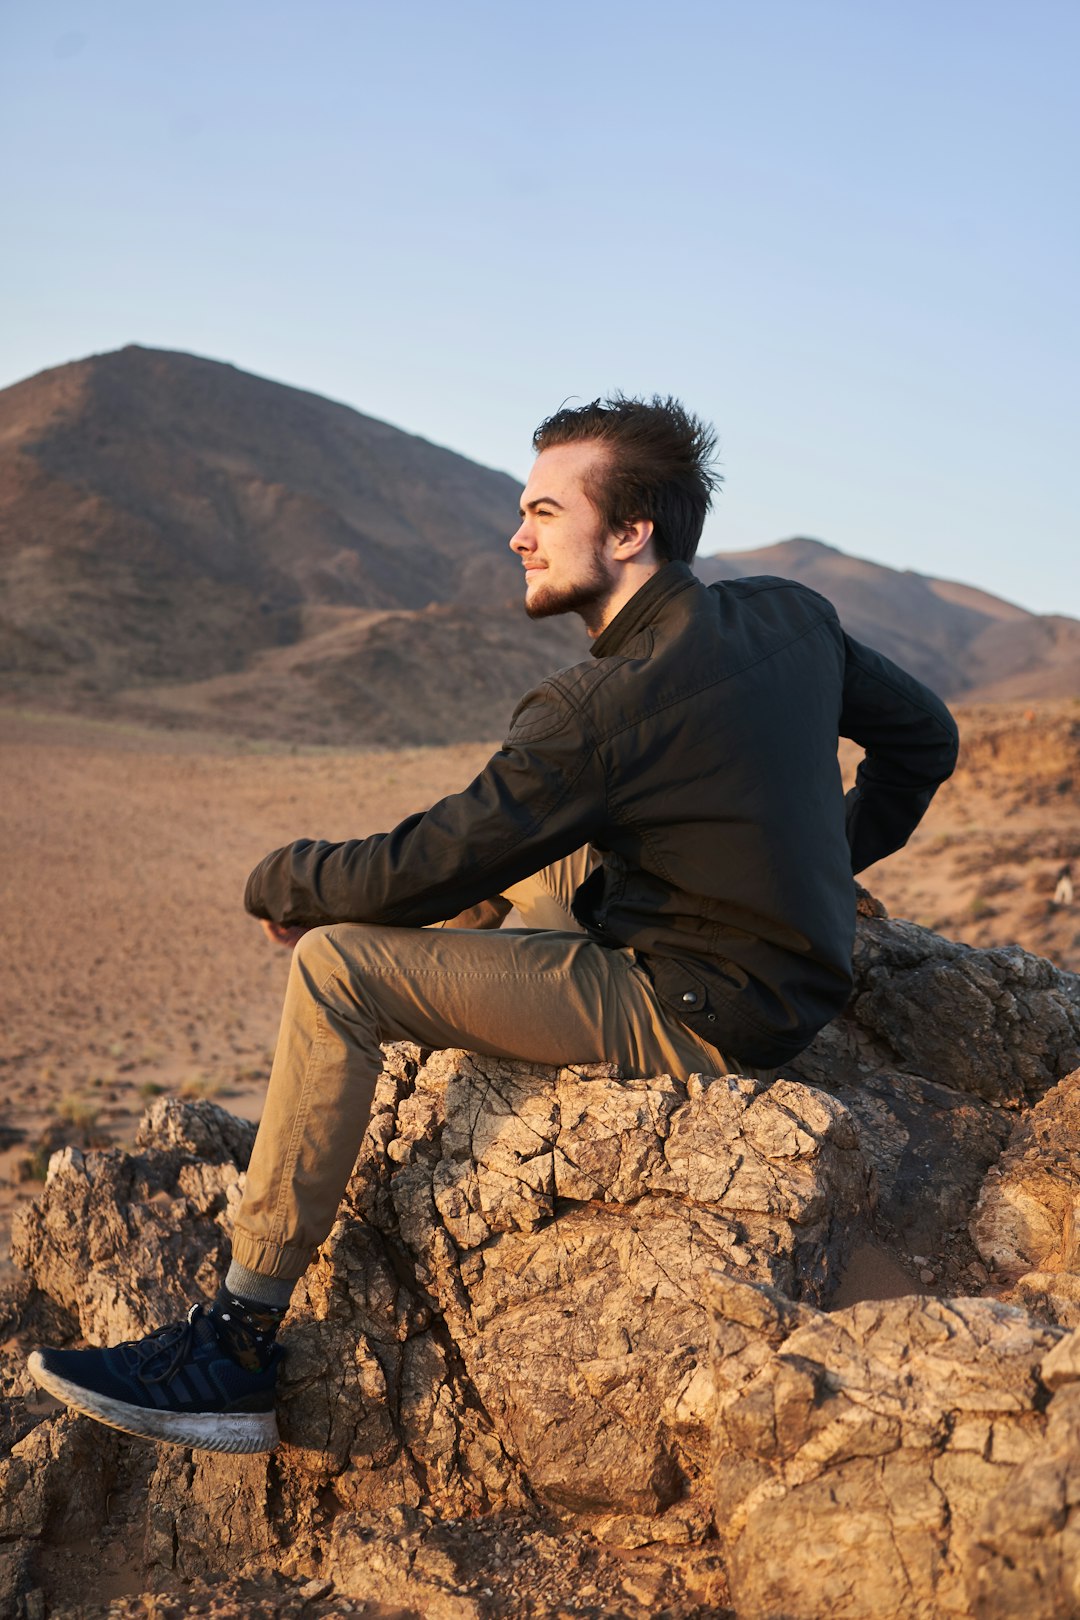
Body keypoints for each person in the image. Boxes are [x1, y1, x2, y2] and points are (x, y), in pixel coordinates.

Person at [29, 395, 960, 1453]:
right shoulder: (790, 616)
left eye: (544, 512)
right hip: (781, 972)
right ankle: (475, 943)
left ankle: (234, 1347)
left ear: (628, 532)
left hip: (697, 1008)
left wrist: (284, 880)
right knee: (538, 851)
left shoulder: (597, 711)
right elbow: (924, 740)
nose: (517, 534)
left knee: (338, 965)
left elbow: (413, 870)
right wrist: (824, 874)